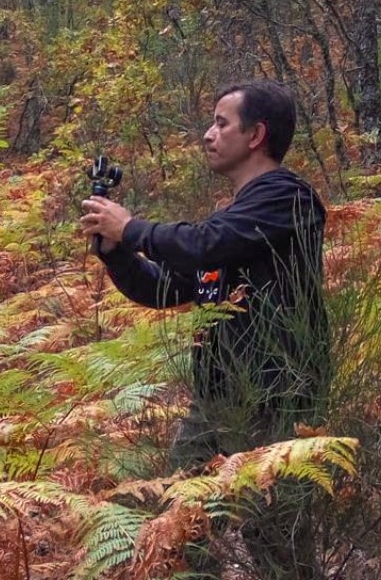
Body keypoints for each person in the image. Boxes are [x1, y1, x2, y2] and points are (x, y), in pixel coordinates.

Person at [80, 79, 329, 579]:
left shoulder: (286, 197)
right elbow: (164, 287)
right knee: (180, 522)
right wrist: (117, 252)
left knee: (275, 533)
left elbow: (204, 245)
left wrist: (132, 228)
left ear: (256, 135)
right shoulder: (233, 216)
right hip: (216, 396)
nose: (208, 135)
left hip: (276, 393)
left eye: (221, 123)